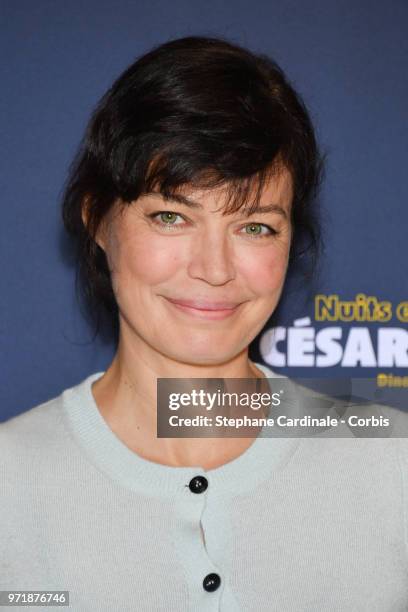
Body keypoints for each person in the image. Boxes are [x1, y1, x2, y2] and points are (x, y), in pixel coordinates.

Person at [1, 35, 407, 612]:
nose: (214, 269)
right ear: (97, 222)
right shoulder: (8, 484)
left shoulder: (391, 462)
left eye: (255, 227)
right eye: (171, 216)